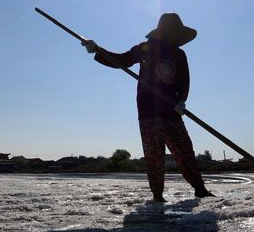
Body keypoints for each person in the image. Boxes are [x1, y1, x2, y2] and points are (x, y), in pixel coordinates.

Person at [83, 13, 214, 202]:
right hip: (148, 112)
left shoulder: (179, 54)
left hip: (172, 111)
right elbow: (123, 60)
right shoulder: (146, 48)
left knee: (185, 151)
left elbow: (184, 82)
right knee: (154, 155)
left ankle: (200, 188)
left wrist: (181, 101)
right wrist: (97, 50)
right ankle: (158, 195)